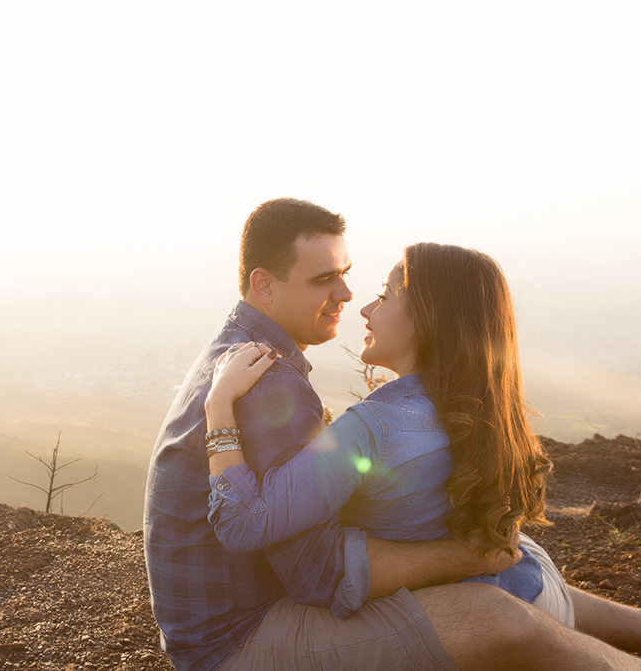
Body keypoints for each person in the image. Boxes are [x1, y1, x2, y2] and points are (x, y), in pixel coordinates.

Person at [143, 197, 641, 671]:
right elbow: (316, 571)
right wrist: (465, 557)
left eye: (346, 275)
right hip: (236, 640)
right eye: (324, 279)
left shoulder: (241, 350)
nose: (348, 295)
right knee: (485, 608)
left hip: (246, 611)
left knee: (492, 547)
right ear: (264, 285)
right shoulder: (269, 381)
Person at [202, 244, 571, 625]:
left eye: (384, 296)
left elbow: (242, 525)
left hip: (493, 621)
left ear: (428, 318)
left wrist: (218, 404)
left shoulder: (374, 427)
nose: (365, 309)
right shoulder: (487, 410)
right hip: (531, 589)